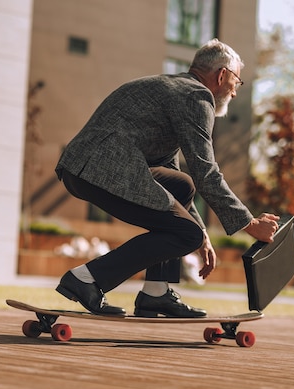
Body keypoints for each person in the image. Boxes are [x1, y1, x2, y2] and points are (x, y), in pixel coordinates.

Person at [54, 39, 280, 317]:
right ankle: (85, 278)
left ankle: (156, 292)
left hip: (87, 166)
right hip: (99, 168)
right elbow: (206, 169)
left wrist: (203, 234)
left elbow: (172, 172)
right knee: (185, 233)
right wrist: (249, 223)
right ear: (222, 75)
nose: (235, 91)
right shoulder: (196, 96)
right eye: (237, 81)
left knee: (181, 186)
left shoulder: (174, 90)